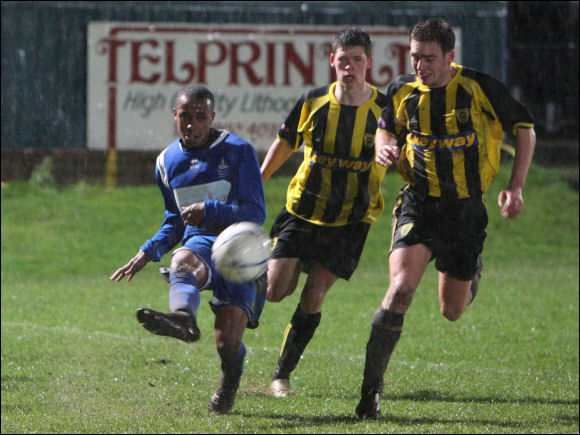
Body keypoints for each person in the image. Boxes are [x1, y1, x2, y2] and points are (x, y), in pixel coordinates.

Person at [355, 18, 536, 419]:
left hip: (465, 209)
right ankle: (371, 393)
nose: (421, 65)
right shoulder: (403, 90)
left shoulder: (479, 87)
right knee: (400, 289)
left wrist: (517, 185)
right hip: (419, 202)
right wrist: (383, 149)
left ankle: (471, 270)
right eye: (415, 56)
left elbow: (525, 129)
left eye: (429, 58)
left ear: (451, 57)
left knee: (451, 310)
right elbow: (386, 128)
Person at [110, 85, 267, 415]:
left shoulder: (239, 151)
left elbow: (255, 213)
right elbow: (175, 220)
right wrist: (147, 251)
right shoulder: (167, 162)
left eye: (200, 117)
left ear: (212, 117)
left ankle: (229, 382)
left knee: (227, 344)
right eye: (185, 116)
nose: (192, 124)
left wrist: (210, 209)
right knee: (182, 258)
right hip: (201, 243)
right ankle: (183, 317)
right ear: (175, 116)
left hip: (239, 248)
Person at [260, 27, 389, 398]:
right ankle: (238, 285)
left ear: (369, 63)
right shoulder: (313, 101)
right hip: (303, 209)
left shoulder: (384, 110)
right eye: (343, 60)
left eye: (357, 60)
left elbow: (401, 144)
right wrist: (258, 181)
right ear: (332, 61)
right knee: (274, 290)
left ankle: (280, 375)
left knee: (314, 294)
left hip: (351, 219)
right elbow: (285, 142)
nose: (349, 68)